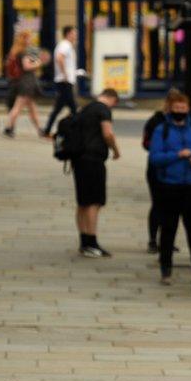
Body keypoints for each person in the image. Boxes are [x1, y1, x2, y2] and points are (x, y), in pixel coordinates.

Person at [148, 91, 191, 285]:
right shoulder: (162, 130)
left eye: (183, 109)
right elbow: (155, 158)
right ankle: (166, 269)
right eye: (176, 109)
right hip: (169, 185)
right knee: (169, 228)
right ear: (170, 109)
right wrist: (178, 155)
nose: (180, 112)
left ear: (188, 109)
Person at [72, 88, 120, 258]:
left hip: (78, 159)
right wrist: (115, 150)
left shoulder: (84, 109)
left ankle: (84, 241)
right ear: (112, 99)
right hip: (94, 159)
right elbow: (108, 133)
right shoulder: (103, 110)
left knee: (83, 201)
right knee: (94, 202)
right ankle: (92, 242)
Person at [142, 89, 183, 253]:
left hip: (176, 169)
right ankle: (153, 240)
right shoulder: (156, 121)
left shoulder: (184, 122)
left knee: (172, 206)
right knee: (158, 204)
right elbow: (146, 143)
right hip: (158, 168)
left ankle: (166, 240)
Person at [3, 31, 48, 138]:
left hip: (22, 82)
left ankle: (39, 130)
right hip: (26, 83)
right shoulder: (23, 52)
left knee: (32, 108)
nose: (31, 40)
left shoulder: (15, 51)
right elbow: (27, 66)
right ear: (24, 39)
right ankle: (9, 127)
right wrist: (39, 62)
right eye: (29, 38)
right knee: (18, 107)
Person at [43, 26, 79, 137]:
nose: (76, 35)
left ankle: (48, 130)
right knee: (73, 108)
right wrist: (65, 74)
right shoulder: (65, 45)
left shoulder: (65, 45)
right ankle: (78, 131)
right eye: (74, 33)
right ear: (68, 34)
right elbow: (59, 58)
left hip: (65, 80)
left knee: (61, 108)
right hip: (64, 81)